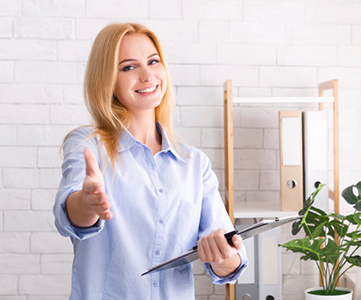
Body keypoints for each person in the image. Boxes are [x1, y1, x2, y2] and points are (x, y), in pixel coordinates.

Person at [53, 22, 247, 300]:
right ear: (107, 80)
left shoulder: (194, 163)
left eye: (153, 62)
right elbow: (70, 217)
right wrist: (87, 202)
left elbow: (231, 263)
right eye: (128, 67)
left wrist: (223, 255)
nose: (147, 75)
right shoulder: (88, 145)